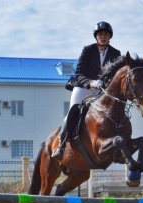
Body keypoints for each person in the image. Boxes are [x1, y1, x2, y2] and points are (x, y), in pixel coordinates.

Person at [52, 21, 121, 159]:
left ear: (110, 36)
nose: (103, 37)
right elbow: (79, 73)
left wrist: (105, 84)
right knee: (73, 111)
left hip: (102, 90)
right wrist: (90, 83)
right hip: (84, 88)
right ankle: (61, 145)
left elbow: (115, 75)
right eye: (100, 34)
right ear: (96, 36)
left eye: (106, 34)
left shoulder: (115, 53)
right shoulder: (88, 50)